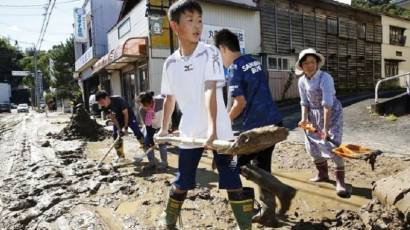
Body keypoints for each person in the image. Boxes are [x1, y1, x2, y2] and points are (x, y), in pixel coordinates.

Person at [156, 1, 254, 229]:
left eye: (199, 20)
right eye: (190, 20)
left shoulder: (210, 53)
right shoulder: (170, 63)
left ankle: (245, 226)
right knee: (183, 181)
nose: (197, 25)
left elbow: (210, 89)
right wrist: (162, 129)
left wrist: (212, 130)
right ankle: (169, 220)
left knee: (232, 179)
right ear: (175, 26)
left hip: (219, 130)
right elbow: (169, 98)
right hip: (190, 132)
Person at [215, 29, 295, 227]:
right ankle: (269, 214)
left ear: (223, 48)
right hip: (274, 123)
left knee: (233, 164)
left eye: (218, 54)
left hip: (257, 130)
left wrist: (221, 123)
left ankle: (283, 190)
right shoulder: (254, 61)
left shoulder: (234, 69)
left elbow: (239, 103)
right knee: (262, 168)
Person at [296, 48, 349, 197]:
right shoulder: (301, 81)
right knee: (312, 146)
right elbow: (304, 102)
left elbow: (327, 105)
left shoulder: (325, 78)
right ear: (301, 66)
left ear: (317, 63)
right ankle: (322, 174)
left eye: (313, 62)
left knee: (333, 146)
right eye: (306, 63)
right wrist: (304, 119)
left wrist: (325, 129)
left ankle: (340, 182)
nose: (310, 65)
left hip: (330, 114)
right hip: (313, 115)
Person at [95, 90, 144, 161]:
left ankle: (146, 147)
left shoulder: (119, 100)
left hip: (129, 117)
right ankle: (121, 156)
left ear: (106, 98)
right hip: (118, 119)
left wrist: (126, 128)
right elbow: (113, 118)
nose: (101, 104)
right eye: (99, 103)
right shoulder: (104, 106)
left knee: (137, 132)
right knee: (115, 135)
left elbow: (126, 114)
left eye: (102, 102)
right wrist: (119, 129)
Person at [137, 91, 168, 170]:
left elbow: (171, 105)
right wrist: (150, 139)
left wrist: (171, 125)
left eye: (146, 106)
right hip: (152, 126)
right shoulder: (142, 110)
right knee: (147, 142)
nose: (145, 108)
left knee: (162, 142)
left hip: (163, 124)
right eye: (143, 106)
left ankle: (164, 163)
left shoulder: (161, 101)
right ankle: (152, 163)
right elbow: (148, 126)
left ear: (152, 102)